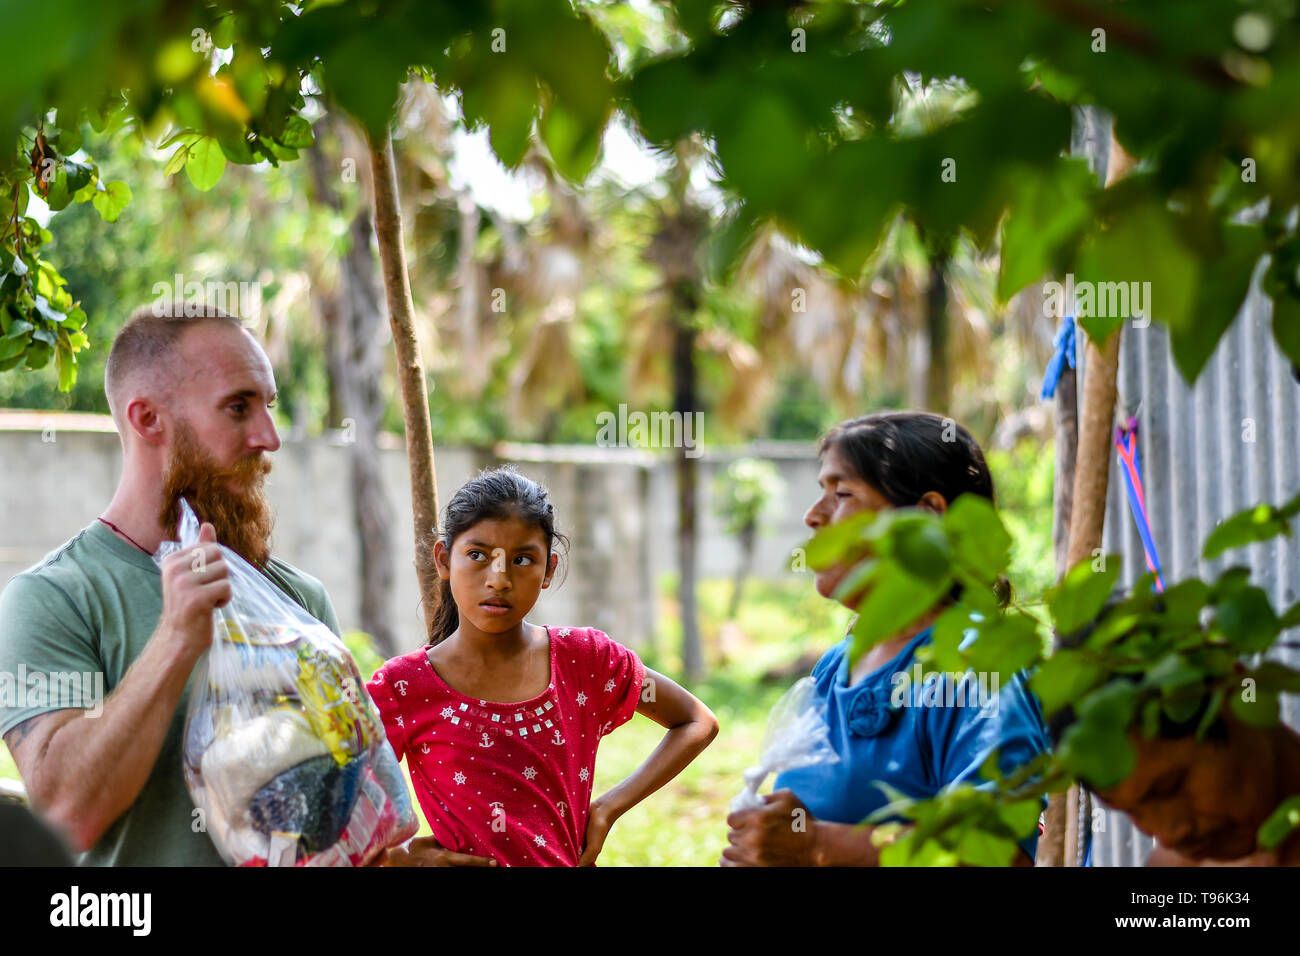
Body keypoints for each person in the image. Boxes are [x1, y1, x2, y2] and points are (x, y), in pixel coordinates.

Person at [0, 304, 348, 865]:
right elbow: (64, 818)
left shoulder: (299, 600)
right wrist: (176, 640)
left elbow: (337, 807)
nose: (269, 437)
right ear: (148, 420)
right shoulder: (52, 598)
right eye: (239, 408)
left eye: (268, 406)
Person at [722, 411, 1050, 866]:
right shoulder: (835, 667)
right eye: (821, 493)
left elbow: (996, 852)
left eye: (842, 494)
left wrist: (817, 845)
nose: (813, 516)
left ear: (925, 517)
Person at [366, 466, 719, 866]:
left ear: (548, 570)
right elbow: (329, 808)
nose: (499, 579)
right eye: (478, 555)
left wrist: (607, 808)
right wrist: (402, 857)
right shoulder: (403, 687)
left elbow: (695, 721)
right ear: (444, 560)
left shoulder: (585, 659)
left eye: (522, 559)